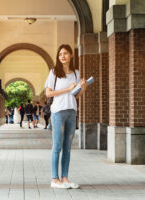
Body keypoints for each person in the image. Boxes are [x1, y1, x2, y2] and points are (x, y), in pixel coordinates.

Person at [44, 44, 87, 189]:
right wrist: (67, 89)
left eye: (65, 53)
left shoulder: (76, 73)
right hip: (58, 112)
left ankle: (65, 178)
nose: (62, 56)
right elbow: (48, 93)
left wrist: (83, 88)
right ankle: (55, 179)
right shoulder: (54, 72)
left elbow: (76, 95)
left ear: (71, 55)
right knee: (57, 146)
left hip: (71, 111)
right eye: (60, 54)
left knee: (67, 147)